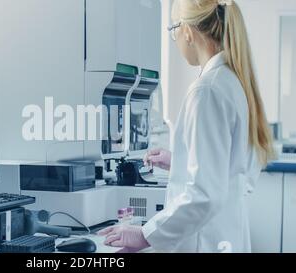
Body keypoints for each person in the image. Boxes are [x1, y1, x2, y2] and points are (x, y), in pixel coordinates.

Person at [98, 0, 274, 253]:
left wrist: (146, 234)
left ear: (188, 31)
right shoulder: (231, 81)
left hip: (205, 240)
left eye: (173, 30)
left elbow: (204, 195)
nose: (175, 39)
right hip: (224, 234)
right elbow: (236, 169)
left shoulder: (207, 90)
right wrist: (180, 161)